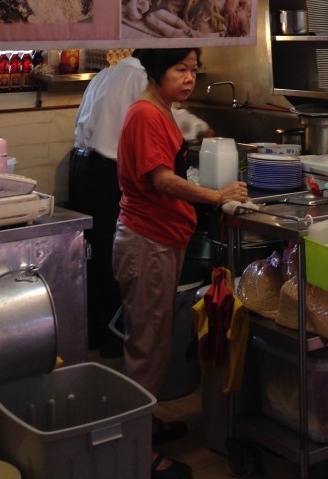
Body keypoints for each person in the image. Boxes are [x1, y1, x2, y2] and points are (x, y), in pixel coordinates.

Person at [112, 48, 246, 479]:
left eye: (193, 70)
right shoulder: (148, 115)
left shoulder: (161, 109)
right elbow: (161, 180)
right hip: (146, 242)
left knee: (154, 342)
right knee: (147, 346)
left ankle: (143, 426)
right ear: (157, 71)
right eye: (180, 69)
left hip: (157, 239)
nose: (189, 78)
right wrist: (216, 196)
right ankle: (138, 454)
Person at [69, 51, 212, 357]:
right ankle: (117, 341)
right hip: (106, 171)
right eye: (180, 68)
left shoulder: (108, 73)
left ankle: (100, 334)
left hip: (81, 165)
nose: (187, 76)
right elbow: (163, 114)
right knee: (109, 255)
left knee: (94, 255)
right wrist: (201, 127)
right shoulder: (138, 77)